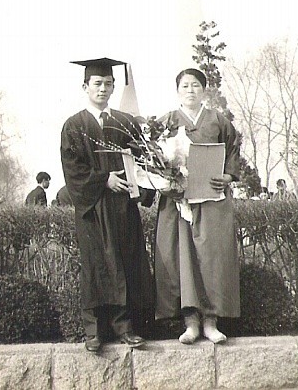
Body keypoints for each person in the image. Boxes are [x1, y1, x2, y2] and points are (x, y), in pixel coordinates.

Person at [60, 57, 155, 352]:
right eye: (97, 83)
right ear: (85, 86)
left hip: (123, 208)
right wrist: (103, 180)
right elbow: (72, 169)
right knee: (96, 267)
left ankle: (127, 328)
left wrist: (144, 186)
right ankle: (94, 331)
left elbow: (142, 162)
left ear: (114, 87)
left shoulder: (125, 123)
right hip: (93, 210)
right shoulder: (73, 126)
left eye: (108, 83)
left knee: (126, 265)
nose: (103, 88)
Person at [155, 68, 241, 345]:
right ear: (177, 90)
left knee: (213, 258)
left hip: (211, 199)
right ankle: (190, 322)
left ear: (204, 90)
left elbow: (233, 150)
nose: (190, 90)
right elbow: (153, 160)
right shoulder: (166, 122)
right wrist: (166, 180)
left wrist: (228, 176)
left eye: (195, 85)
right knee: (183, 258)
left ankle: (211, 321)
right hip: (178, 201)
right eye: (184, 85)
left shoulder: (218, 120)